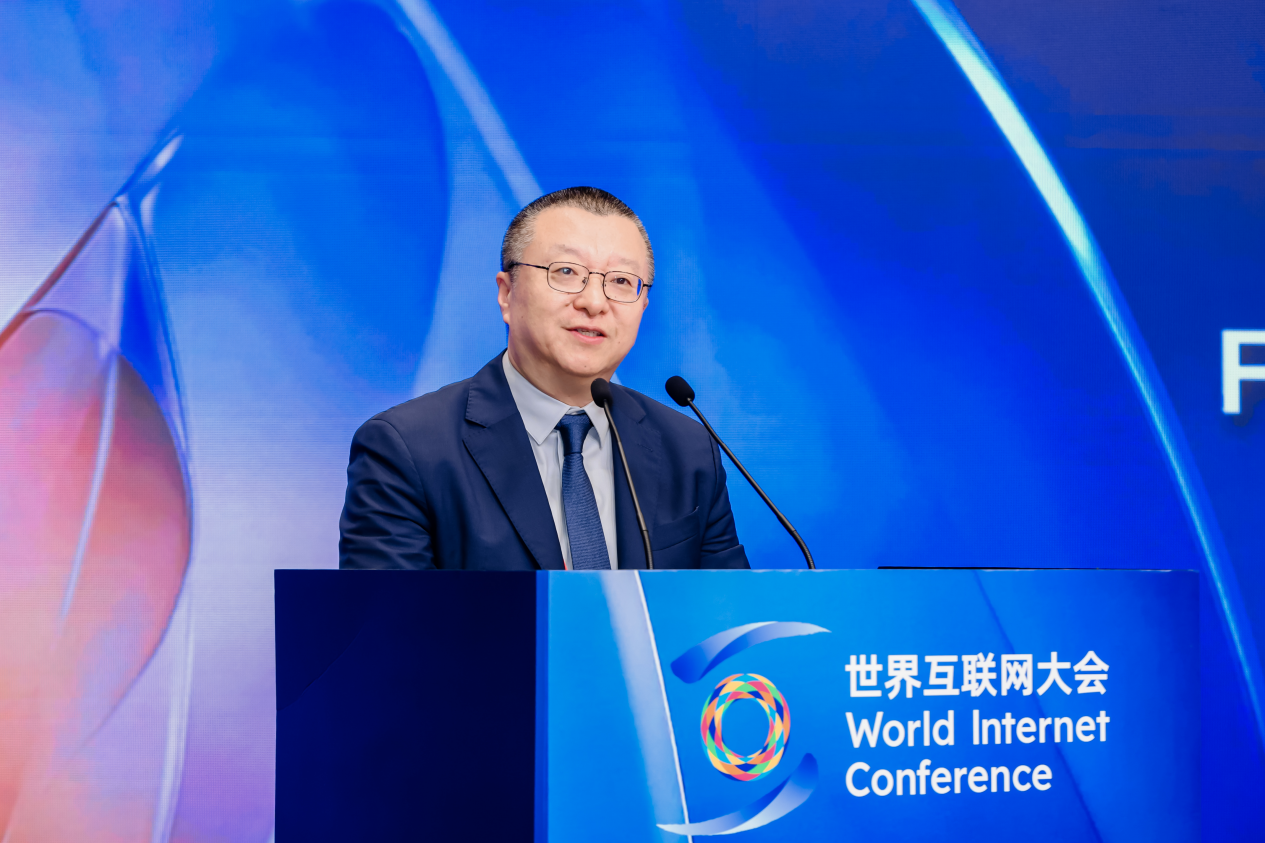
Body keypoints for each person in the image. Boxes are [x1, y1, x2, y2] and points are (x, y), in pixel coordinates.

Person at [339, 187, 749, 570]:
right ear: (507, 293)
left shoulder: (689, 450)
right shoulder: (407, 448)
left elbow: (730, 613)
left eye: (621, 281)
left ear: (643, 303)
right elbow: (388, 620)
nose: (594, 302)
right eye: (566, 271)